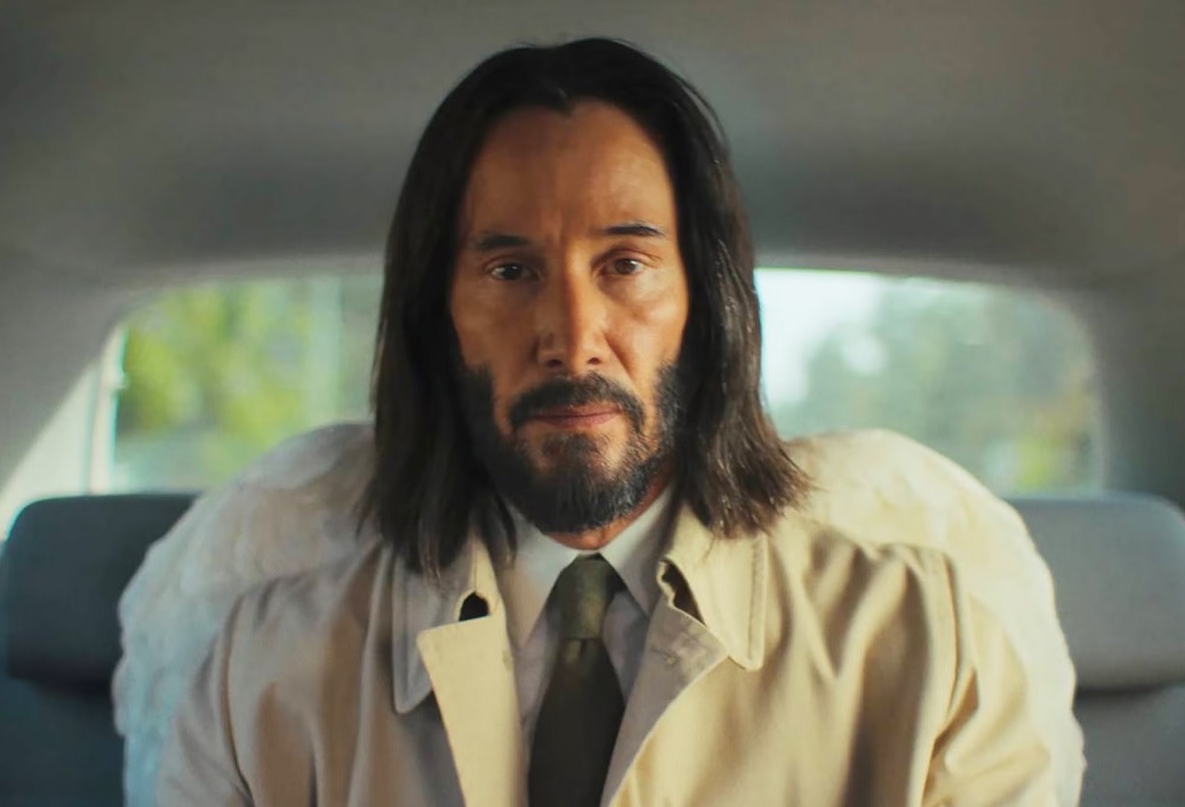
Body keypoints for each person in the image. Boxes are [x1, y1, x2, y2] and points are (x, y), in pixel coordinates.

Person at [144, 38, 1079, 805]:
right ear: (439, 319)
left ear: (706, 306)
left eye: (625, 264)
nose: (573, 338)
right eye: (511, 271)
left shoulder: (931, 647)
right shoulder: (262, 676)